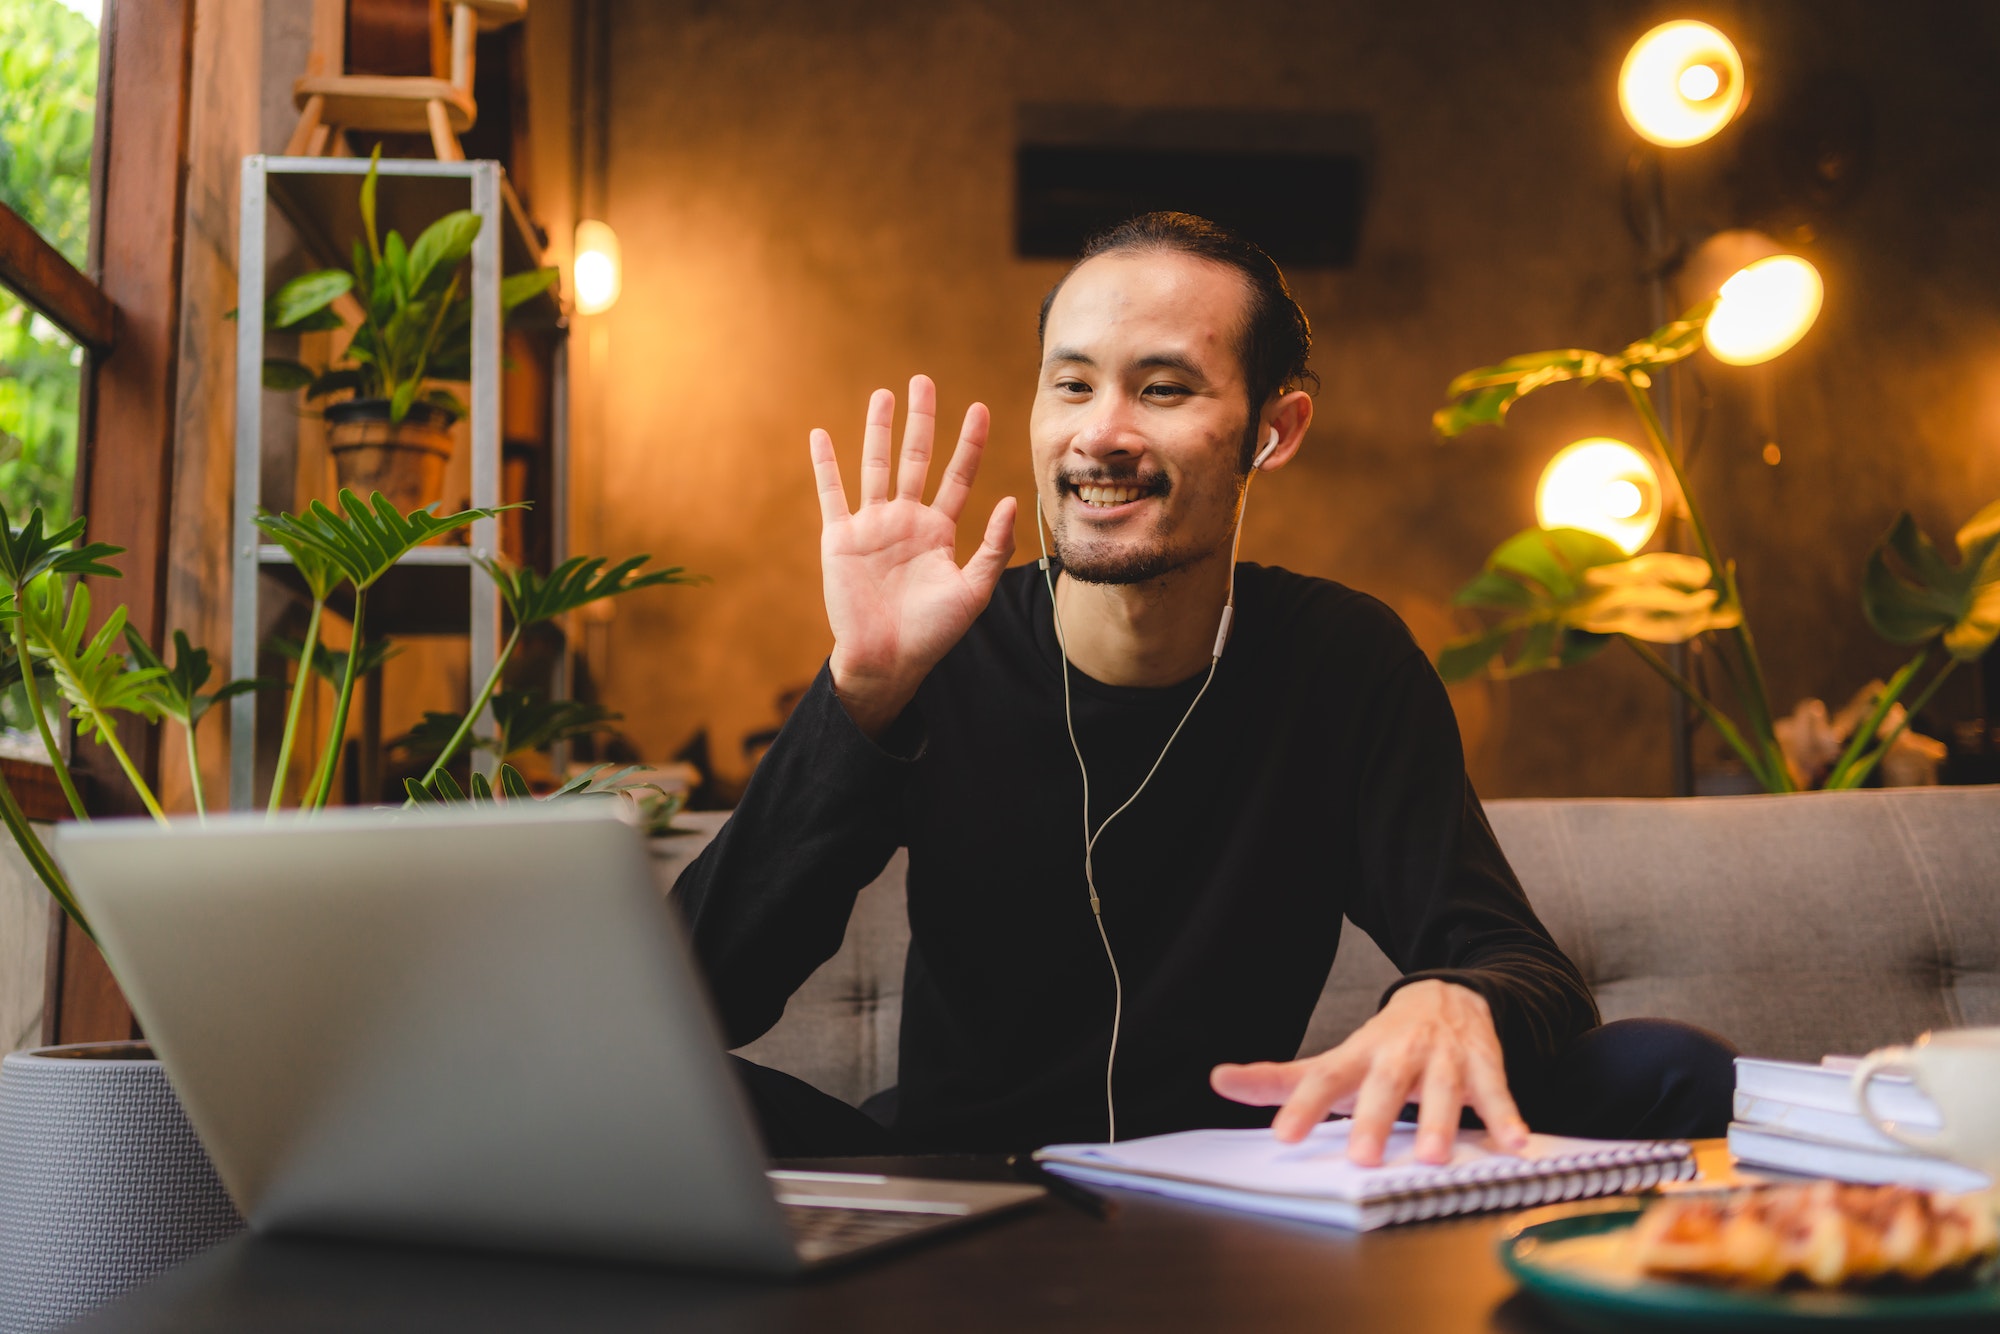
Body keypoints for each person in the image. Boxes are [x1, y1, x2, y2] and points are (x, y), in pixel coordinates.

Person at [673, 212, 1734, 1165]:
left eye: (1163, 387)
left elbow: (1518, 962)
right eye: (1072, 382)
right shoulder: (938, 649)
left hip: (1228, 1183)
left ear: (1272, 431)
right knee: (652, 1085)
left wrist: (1457, 996)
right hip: (955, 1183)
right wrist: (860, 690)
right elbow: (682, 1002)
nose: (1101, 432)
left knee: (1663, 1069)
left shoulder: (1341, 661)